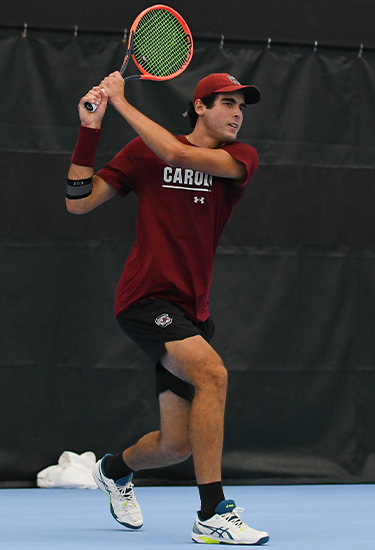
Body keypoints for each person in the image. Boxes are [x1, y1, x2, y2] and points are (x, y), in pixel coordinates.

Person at [66, 71, 269, 545]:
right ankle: (212, 513)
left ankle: (112, 471)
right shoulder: (142, 153)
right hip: (143, 299)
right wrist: (89, 130)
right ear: (199, 106)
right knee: (213, 375)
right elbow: (78, 202)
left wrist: (119, 101)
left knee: (175, 446)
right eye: (227, 103)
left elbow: (177, 153)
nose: (237, 113)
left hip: (191, 309)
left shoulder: (240, 158)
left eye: (242, 105)